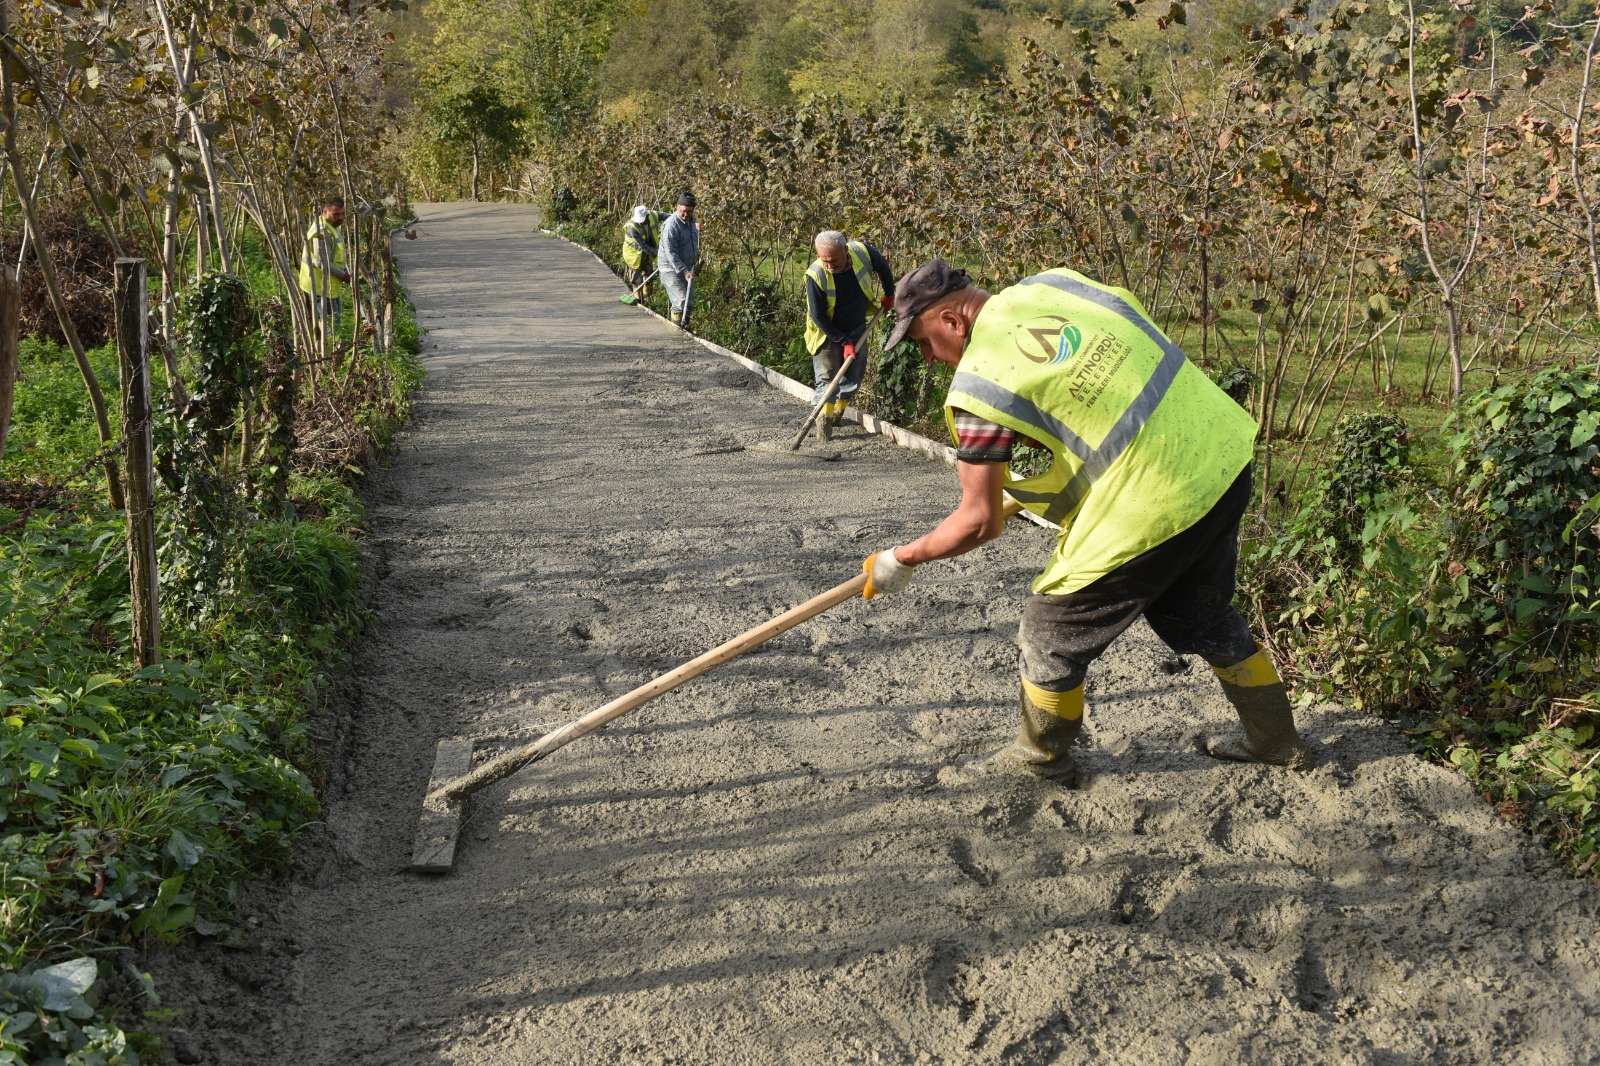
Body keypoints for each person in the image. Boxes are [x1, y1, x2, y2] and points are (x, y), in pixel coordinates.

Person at [860, 259, 1312, 786]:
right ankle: (1276, 741)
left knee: (1050, 633)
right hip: (1219, 453)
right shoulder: (1057, 285)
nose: (931, 359)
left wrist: (900, 559)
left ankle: (1038, 761)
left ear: (954, 322)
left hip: (1154, 496)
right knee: (1200, 614)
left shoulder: (981, 384)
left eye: (923, 341)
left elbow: (979, 521)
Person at [804, 231, 895, 440]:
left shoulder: (863, 252)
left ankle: (837, 414)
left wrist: (889, 294)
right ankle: (823, 430)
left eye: (833, 260)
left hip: (857, 326)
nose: (829, 265)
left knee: (854, 376)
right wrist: (843, 342)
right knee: (826, 380)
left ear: (845, 251)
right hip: (827, 333)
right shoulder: (815, 275)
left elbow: (882, 266)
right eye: (824, 260)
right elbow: (818, 316)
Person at [297, 195, 350, 347]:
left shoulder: (333, 226)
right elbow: (322, 262)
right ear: (325, 212)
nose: (340, 218)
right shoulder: (321, 232)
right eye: (336, 214)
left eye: (342, 214)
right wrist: (345, 276)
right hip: (319, 285)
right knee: (330, 326)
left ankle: (335, 352)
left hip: (330, 283)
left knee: (335, 321)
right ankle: (328, 355)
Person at [659, 191, 699, 326]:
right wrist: (683, 270)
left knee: (689, 303)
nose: (686, 214)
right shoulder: (671, 226)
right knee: (681, 300)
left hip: (687, 268)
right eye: (683, 211)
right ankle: (676, 329)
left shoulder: (691, 220)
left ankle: (686, 328)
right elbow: (671, 252)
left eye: (689, 211)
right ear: (677, 207)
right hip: (671, 268)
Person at [622, 204, 667, 297]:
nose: (640, 223)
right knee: (637, 279)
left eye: (642, 220)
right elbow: (644, 246)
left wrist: (683, 220)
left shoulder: (653, 215)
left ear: (647, 216)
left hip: (646, 253)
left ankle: (647, 298)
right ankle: (638, 301)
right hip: (633, 255)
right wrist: (660, 253)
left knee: (649, 275)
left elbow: (669, 217)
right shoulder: (632, 229)